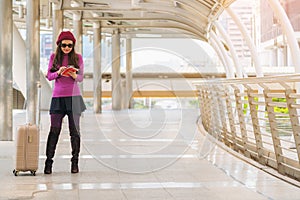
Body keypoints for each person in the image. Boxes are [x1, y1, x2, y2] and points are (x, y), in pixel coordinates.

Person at [44, 31, 86, 174]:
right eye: (64, 45)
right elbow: (49, 76)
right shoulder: (54, 57)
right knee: (54, 130)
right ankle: (48, 163)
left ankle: (75, 163)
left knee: (75, 132)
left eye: (69, 45)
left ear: (73, 45)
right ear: (59, 45)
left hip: (74, 98)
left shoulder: (78, 57)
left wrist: (74, 74)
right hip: (58, 98)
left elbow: (80, 78)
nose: (66, 48)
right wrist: (59, 73)